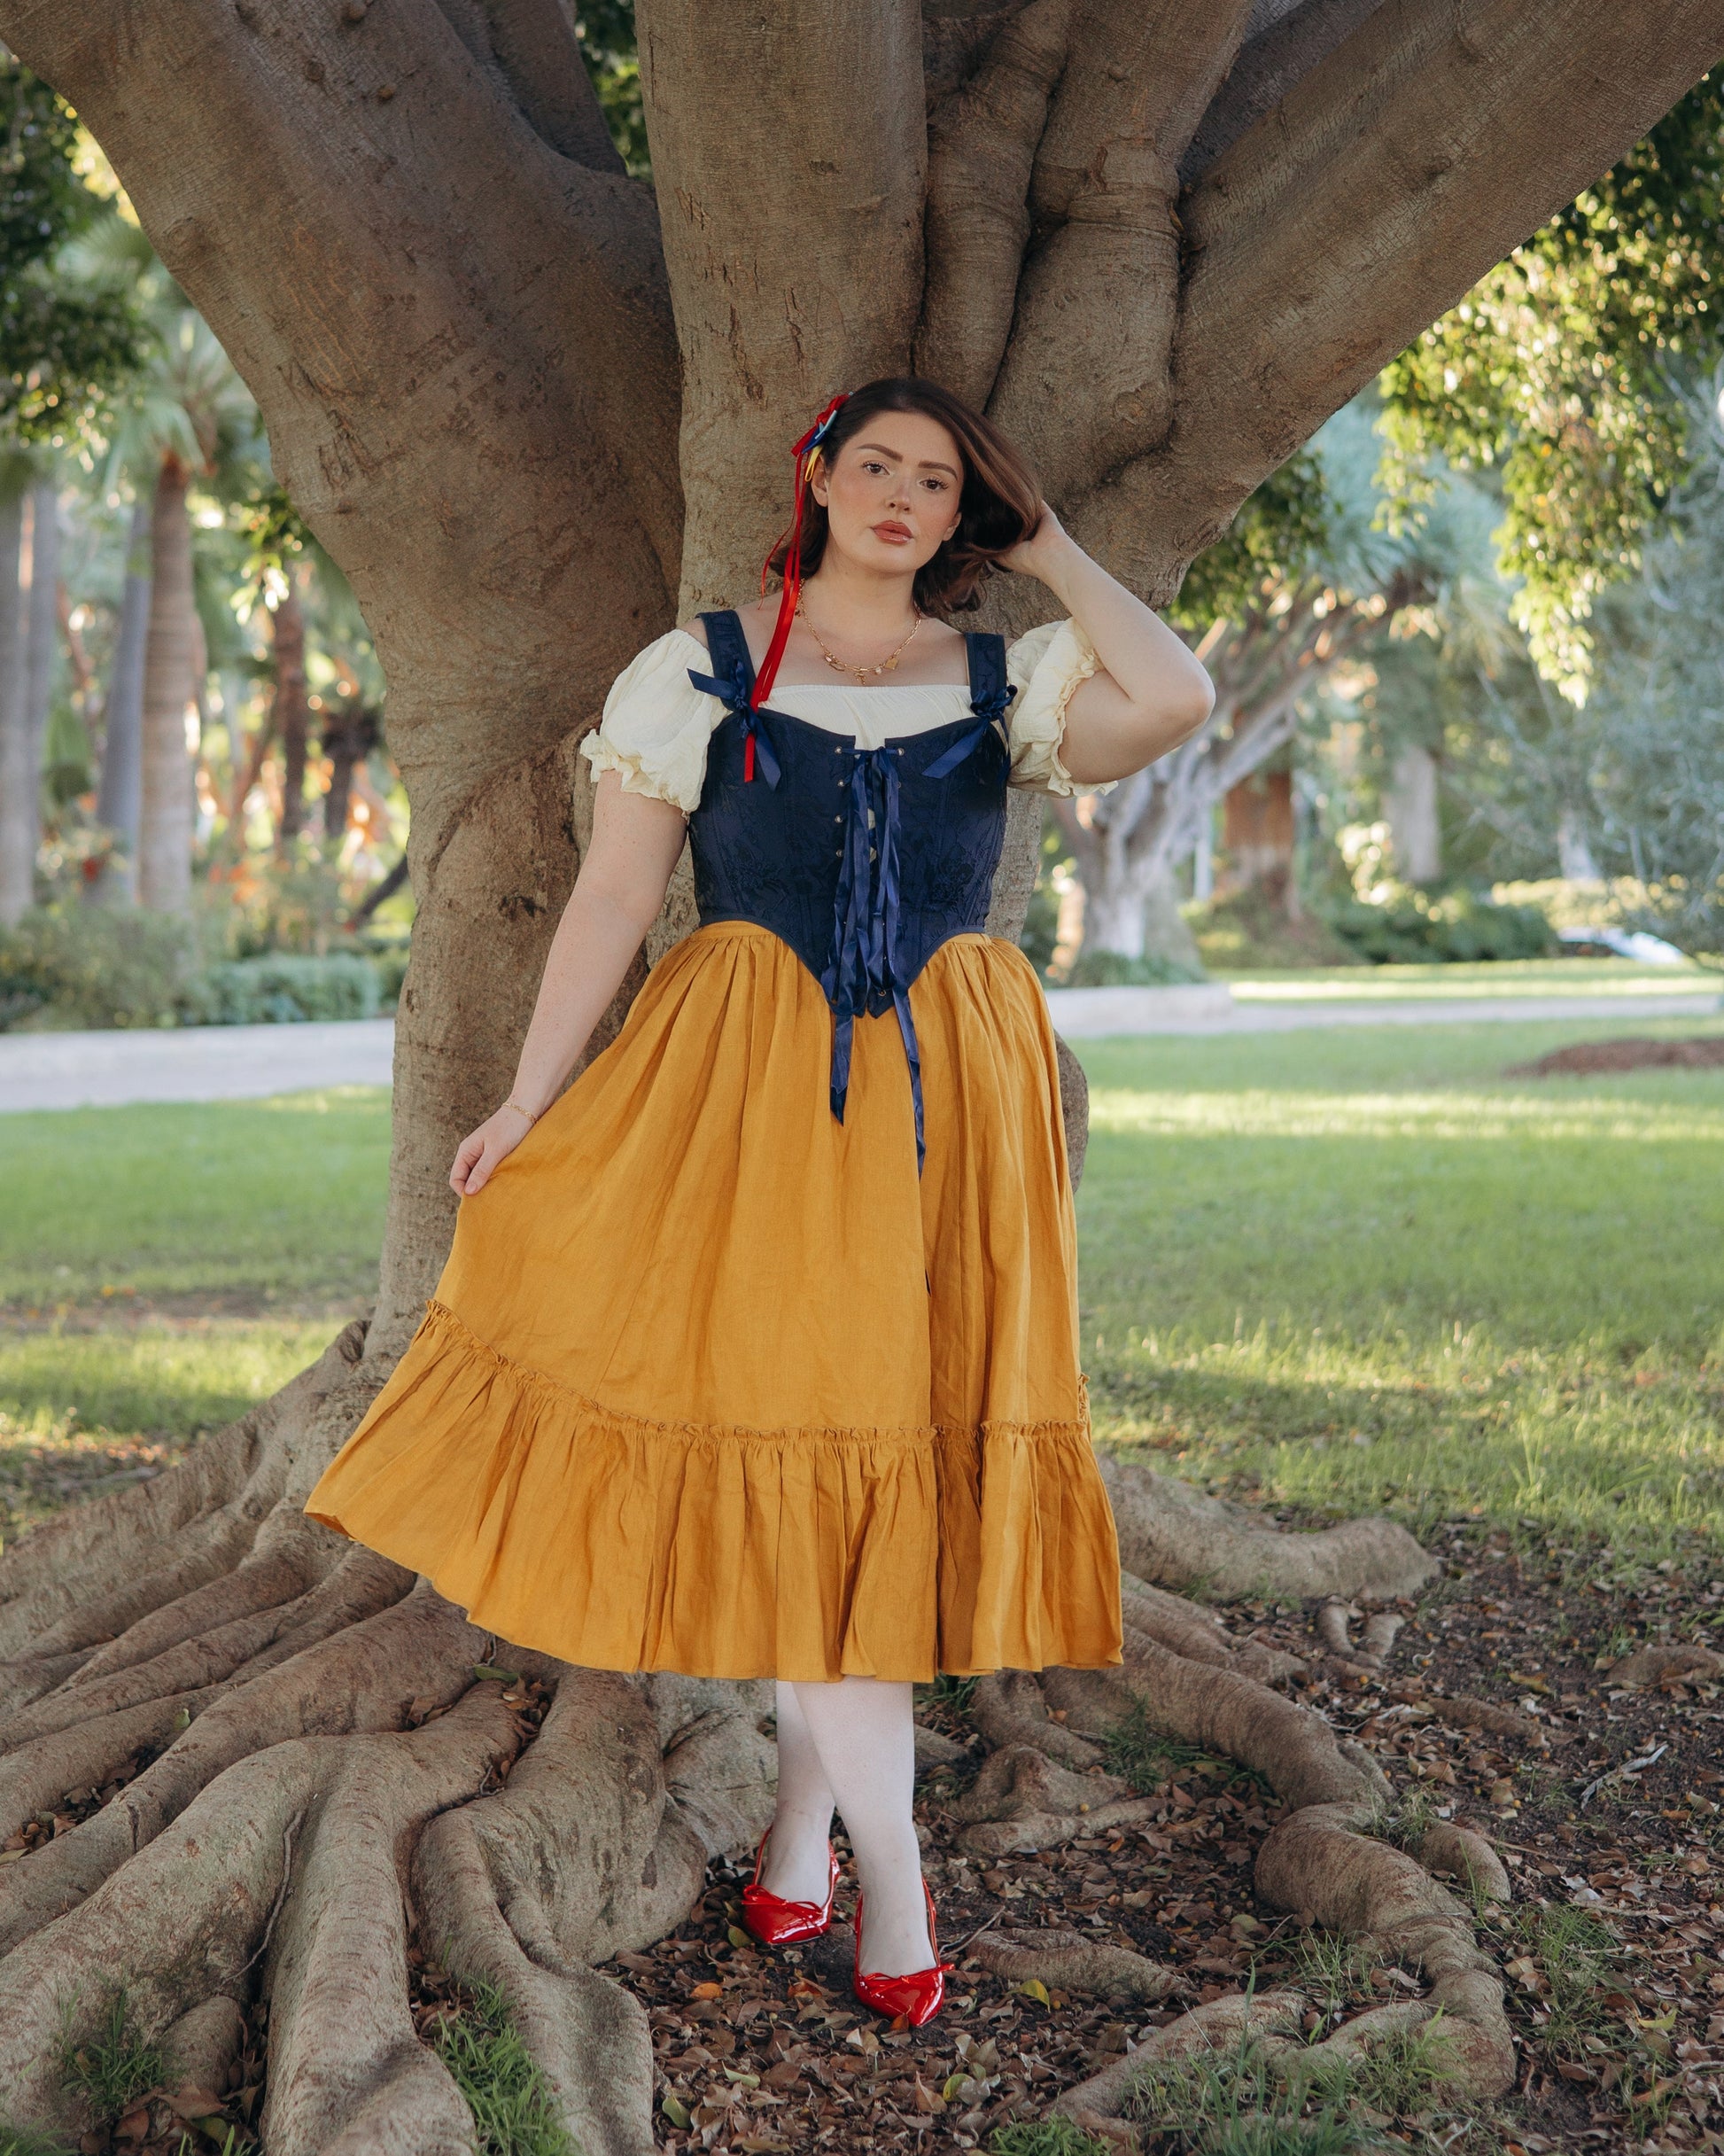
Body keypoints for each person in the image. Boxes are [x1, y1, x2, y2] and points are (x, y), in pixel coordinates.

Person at [304, 377, 1215, 2026]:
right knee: (813, 1454)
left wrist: (1056, 546)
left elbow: (1176, 692)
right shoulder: (696, 672)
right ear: (817, 477)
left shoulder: (1007, 674)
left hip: (948, 1108)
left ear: (963, 519)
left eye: (937, 483)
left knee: (879, 1458)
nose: (900, 496)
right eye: (875, 464)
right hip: (748, 1105)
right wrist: (524, 1095)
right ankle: (898, 1877)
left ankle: (801, 1834)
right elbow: (609, 896)